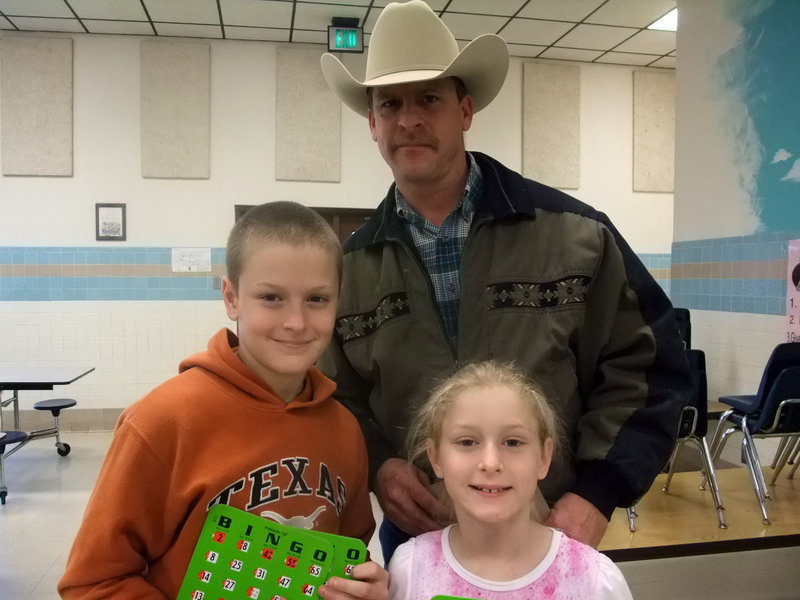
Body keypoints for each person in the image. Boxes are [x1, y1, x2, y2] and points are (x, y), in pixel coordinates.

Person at [319, 0, 691, 562]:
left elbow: (649, 368)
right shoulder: (349, 270)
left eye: (430, 99)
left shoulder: (577, 236)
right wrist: (378, 464)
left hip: (552, 531)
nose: (409, 119)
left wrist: (598, 492)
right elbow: (336, 398)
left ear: (464, 110)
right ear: (372, 123)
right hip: (422, 543)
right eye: (390, 103)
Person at [58, 202, 388, 600]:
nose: (297, 322)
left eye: (317, 299)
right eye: (271, 297)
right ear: (231, 298)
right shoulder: (161, 422)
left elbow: (348, 559)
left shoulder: (344, 429)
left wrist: (362, 587)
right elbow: (92, 583)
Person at [388, 361, 633, 599]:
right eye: (467, 442)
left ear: (544, 457)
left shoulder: (594, 581)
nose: (491, 463)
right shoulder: (410, 569)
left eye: (513, 442)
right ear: (436, 458)